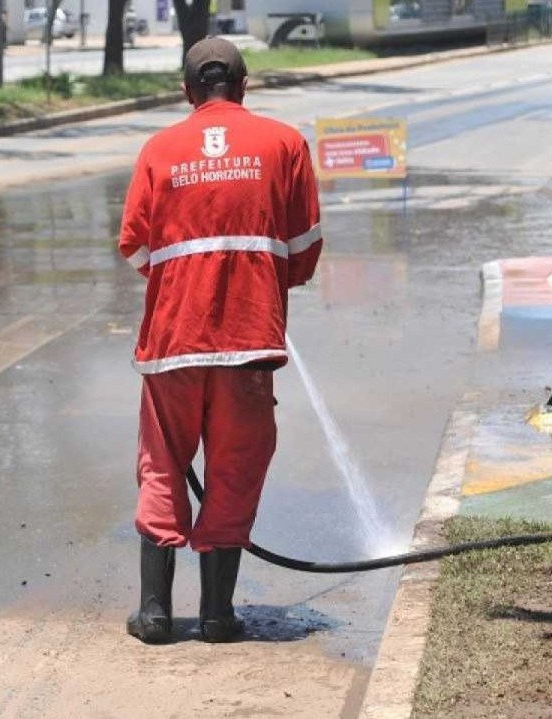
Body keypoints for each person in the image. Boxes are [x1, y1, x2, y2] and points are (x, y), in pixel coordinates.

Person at [118, 37, 322, 644]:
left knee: (162, 470)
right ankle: (216, 616)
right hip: (248, 343)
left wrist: (186, 281)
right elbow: (305, 253)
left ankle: (155, 613)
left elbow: (135, 247)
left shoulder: (159, 149)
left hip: (173, 344)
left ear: (187, 91)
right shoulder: (284, 144)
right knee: (233, 471)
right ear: (244, 85)